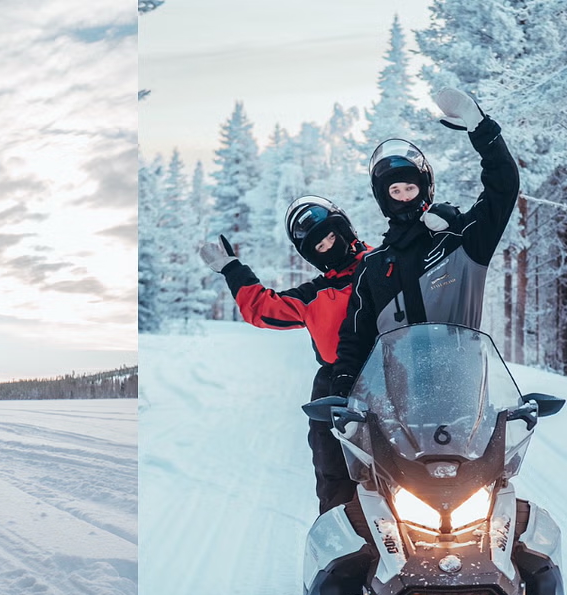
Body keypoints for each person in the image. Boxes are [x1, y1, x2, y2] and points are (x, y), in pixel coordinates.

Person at [331, 87, 521, 399]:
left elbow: (503, 189)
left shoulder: (460, 242)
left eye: (410, 188)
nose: (405, 197)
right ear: (384, 198)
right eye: (396, 192)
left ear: (425, 189)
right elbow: (355, 339)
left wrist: (480, 128)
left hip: (465, 404)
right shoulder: (372, 267)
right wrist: (342, 395)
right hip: (395, 410)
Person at [198, 195, 374, 514]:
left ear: (345, 230)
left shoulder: (387, 263)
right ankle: (344, 547)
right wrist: (231, 268)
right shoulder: (314, 295)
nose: (329, 246)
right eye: (320, 246)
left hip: (399, 372)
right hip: (337, 385)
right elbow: (261, 308)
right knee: (334, 471)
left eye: (332, 236)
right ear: (313, 256)